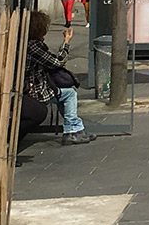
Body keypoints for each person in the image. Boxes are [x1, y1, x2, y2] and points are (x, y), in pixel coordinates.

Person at [25, 10, 96, 144]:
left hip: (35, 85)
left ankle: (76, 129)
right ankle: (72, 131)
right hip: (35, 89)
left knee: (64, 93)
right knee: (69, 93)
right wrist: (66, 42)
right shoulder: (33, 46)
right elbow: (57, 62)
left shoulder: (28, 43)